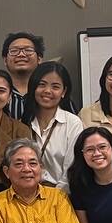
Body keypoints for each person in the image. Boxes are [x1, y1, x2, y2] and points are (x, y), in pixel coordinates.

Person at [24, 61, 84, 190]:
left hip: (62, 197)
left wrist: (54, 198)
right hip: (25, 196)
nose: (47, 91)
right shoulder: (23, 123)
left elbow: (71, 169)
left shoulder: (73, 123)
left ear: (64, 92)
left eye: (55, 87)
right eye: (41, 85)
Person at [1, 32, 45, 123]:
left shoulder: (52, 93)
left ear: (39, 59)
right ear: (5, 60)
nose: (21, 54)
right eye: (14, 51)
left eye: (28, 50)